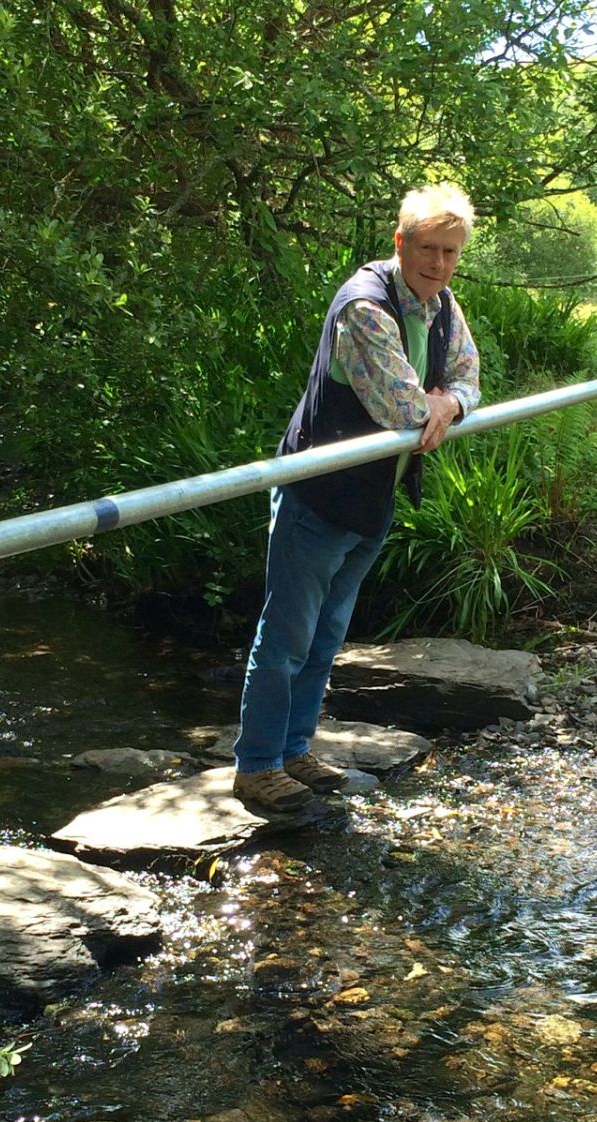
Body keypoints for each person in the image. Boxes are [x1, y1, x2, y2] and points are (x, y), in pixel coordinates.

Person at [233, 181, 481, 812]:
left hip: (373, 496)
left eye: (451, 252)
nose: (439, 264)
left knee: (326, 636)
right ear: (401, 242)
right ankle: (257, 764)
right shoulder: (365, 306)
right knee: (287, 638)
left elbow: (468, 378)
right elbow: (402, 409)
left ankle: (294, 750)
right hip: (317, 494)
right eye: (428, 249)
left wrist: (449, 402)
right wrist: (437, 405)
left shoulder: (440, 303)